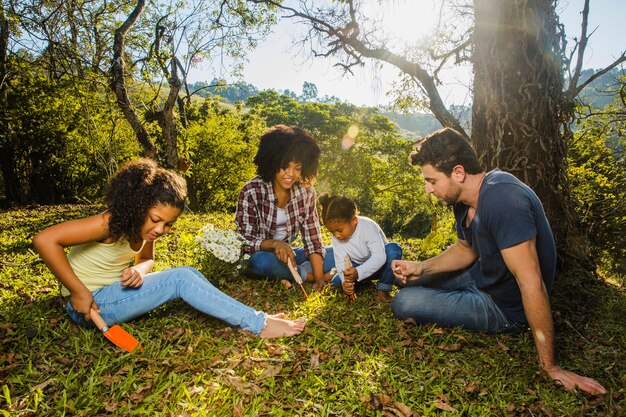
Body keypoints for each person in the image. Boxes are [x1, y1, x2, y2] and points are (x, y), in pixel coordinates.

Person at [391, 128, 606, 395]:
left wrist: (551, 367)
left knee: (403, 302)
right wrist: (421, 267)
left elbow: (531, 282)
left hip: (502, 307)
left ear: (458, 173)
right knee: (404, 281)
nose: (428, 189)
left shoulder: (504, 200)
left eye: (432, 181)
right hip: (480, 274)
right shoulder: (464, 199)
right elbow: (465, 249)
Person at [33, 158, 305, 339]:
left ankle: (251, 318)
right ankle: (259, 324)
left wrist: (139, 270)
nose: (161, 229)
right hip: (89, 305)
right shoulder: (109, 222)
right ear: (137, 206)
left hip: (113, 296)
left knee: (190, 275)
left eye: (168, 224)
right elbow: (45, 240)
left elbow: (147, 260)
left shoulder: (146, 229)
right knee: (182, 277)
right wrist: (78, 292)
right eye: (156, 219)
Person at [235, 125, 334, 290]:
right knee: (260, 262)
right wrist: (275, 244)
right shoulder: (251, 191)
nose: (291, 174)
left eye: (297, 168)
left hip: (291, 254)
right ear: (272, 162)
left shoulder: (306, 191)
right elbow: (245, 241)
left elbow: (313, 240)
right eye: (284, 166)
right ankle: (303, 274)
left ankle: (302, 273)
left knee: (338, 254)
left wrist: (319, 280)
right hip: (262, 256)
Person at [318, 193, 402, 302]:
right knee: (337, 282)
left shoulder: (368, 226)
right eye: (332, 232)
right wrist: (345, 281)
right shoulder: (336, 238)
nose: (336, 235)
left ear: (354, 220)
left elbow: (379, 257)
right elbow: (341, 263)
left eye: (339, 230)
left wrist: (359, 272)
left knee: (393, 249)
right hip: (358, 269)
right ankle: (364, 282)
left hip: (383, 266)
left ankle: (383, 289)